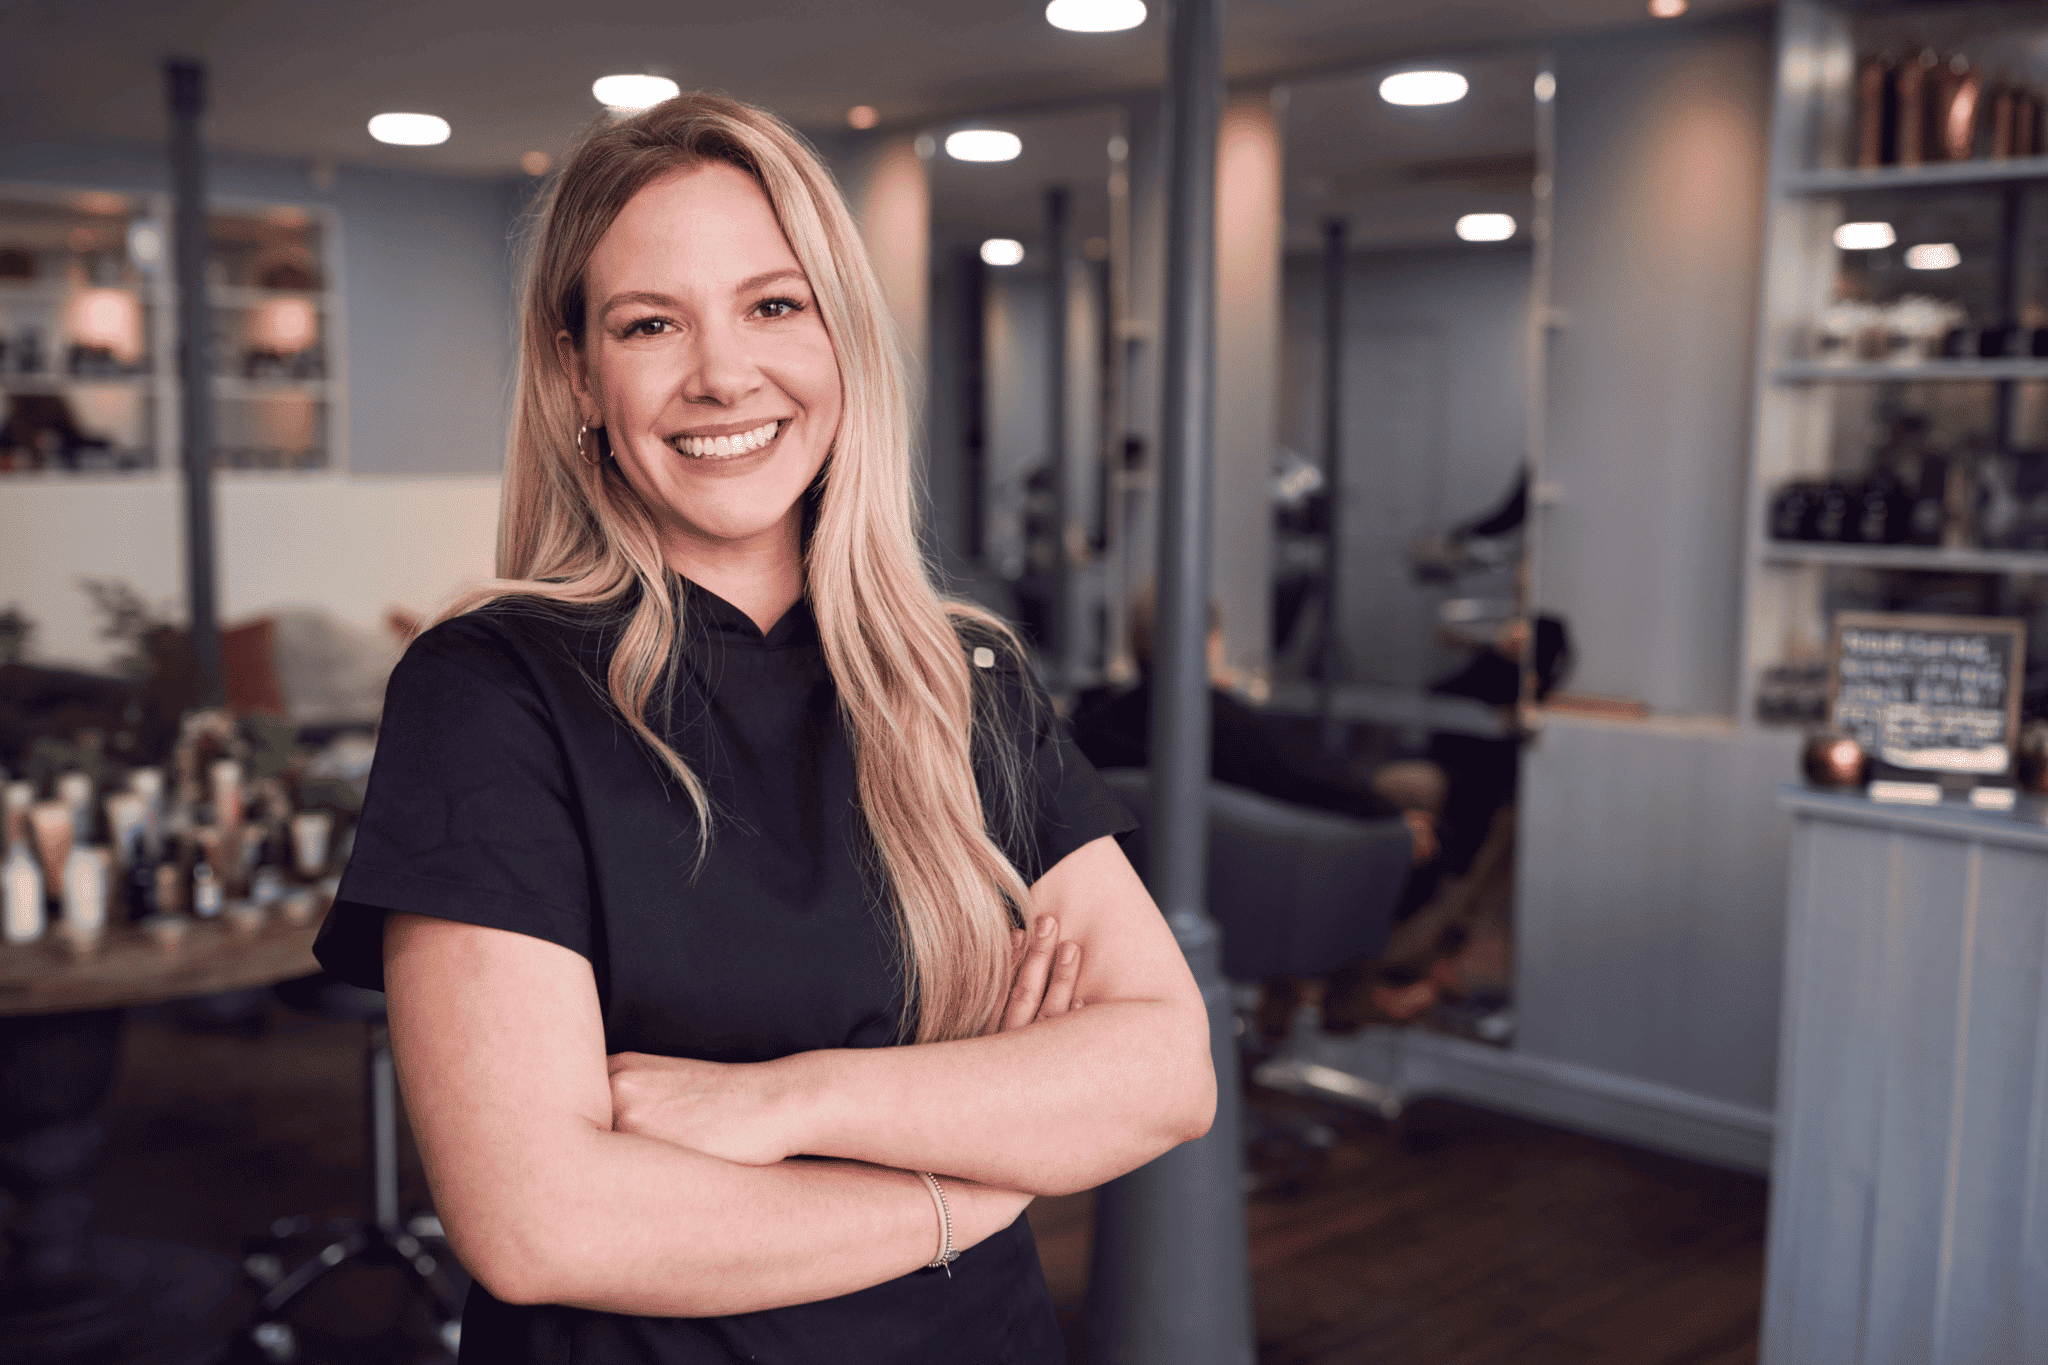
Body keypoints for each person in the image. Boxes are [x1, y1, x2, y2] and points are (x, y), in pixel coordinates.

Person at [311, 93, 1214, 1364]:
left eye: (773, 305)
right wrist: (975, 1178)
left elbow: (1164, 1069)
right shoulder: (490, 692)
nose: (722, 372)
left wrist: (779, 1103)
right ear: (578, 374)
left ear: (843, 339)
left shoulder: (962, 678)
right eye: (648, 324)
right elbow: (541, 1222)